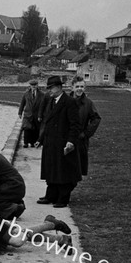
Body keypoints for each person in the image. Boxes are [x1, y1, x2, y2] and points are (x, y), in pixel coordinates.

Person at [35, 76, 81, 208]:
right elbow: (47, 123)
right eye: (48, 88)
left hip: (62, 142)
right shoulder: (51, 101)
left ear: (60, 87)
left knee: (64, 171)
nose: (49, 90)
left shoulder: (69, 102)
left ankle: (63, 198)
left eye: (51, 88)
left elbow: (75, 125)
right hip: (51, 142)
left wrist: (71, 141)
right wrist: (40, 139)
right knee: (51, 169)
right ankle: (51, 195)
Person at [70, 76, 101, 176]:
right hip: (65, 140)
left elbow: (96, 119)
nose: (79, 89)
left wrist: (86, 133)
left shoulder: (88, 103)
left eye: (82, 87)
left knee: (77, 171)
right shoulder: (65, 101)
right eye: (77, 86)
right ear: (72, 87)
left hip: (80, 141)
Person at [18, 79, 45, 147]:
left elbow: (43, 105)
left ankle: (33, 143)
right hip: (28, 114)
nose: (33, 86)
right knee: (27, 128)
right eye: (32, 85)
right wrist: (20, 113)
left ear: (37, 85)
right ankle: (26, 143)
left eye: (35, 85)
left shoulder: (41, 94)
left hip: (37, 114)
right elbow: (22, 103)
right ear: (30, 86)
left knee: (35, 129)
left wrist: (40, 115)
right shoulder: (26, 93)